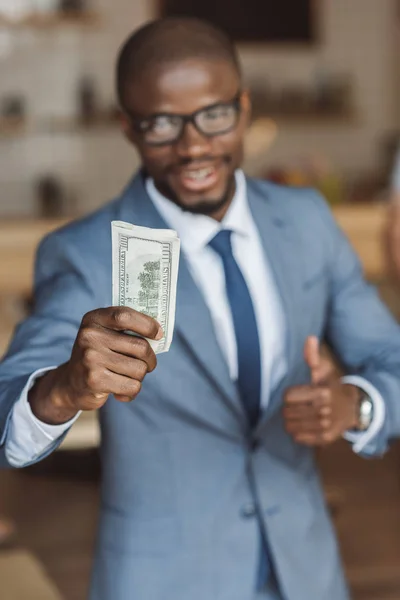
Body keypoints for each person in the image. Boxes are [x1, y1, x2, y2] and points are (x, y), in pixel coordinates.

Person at [0, 17, 400, 600]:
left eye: (214, 115)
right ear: (127, 127)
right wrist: (62, 388)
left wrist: (356, 404)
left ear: (243, 106)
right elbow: (6, 421)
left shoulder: (308, 219)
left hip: (307, 572)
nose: (193, 146)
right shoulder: (84, 252)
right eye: (161, 124)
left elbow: (390, 355)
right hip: (163, 580)